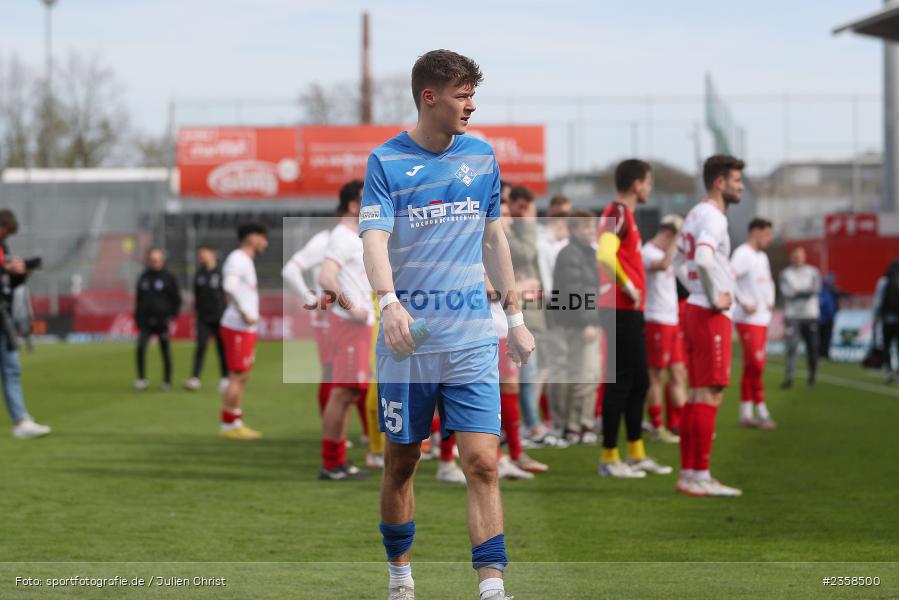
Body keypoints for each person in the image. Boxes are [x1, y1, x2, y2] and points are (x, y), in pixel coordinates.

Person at [360, 49, 533, 600]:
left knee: (483, 462)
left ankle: (491, 587)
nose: (472, 107)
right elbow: (373, 239)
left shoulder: (481, 157)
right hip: (408, 345)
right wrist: (388, 303)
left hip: (472, 342)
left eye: (472, 95)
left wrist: (515, 316)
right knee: (403, 463)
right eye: (462, 95)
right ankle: (401, 578)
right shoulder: (385, 161)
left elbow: (493, 237)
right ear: (429, 97)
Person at [674, 154, 745, 497]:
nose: (740, 186)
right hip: (709, 313)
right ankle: (699, 474)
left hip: (695, 309)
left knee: (697, 393)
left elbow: (675, 261)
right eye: (736, 180)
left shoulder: (694, 213)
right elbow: (701, 258)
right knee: (710, 393)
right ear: (720, 182)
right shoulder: (713, 217)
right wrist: (714, 294)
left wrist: (696, 290)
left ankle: (689, 474)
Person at [596, 159, 671, 478]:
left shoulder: (626, 215)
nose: (650, 188)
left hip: (628, 310)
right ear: (636, 184)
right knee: (622, 383)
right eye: (648, 182)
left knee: (639, 381)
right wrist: (627, 285)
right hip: (618, 309)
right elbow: (603, 254)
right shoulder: (618, 212)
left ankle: (636, 453)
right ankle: (610, 458)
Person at [317, 181, 375, 480]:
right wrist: (351, 308)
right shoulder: (342, 236)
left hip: (358, 327)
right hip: (349, 326)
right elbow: (326, 276)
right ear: (354, 205)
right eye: (367, 199)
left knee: (349, 393)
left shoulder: (355, 237)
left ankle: (338, 460)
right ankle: (331, 463)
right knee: (342, 393)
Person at [507, 186, 564, 448]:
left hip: (530, 311)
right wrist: (526, 223)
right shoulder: (508, 232)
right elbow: (524, 254)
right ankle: (527, 427)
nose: (510, 215)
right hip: (516, 314)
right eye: (508, 209)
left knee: (530, 374)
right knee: (522, 376)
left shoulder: (515, 231)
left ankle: (525, 427)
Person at [551, 210, 602, 443]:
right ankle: (573, 427)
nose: (591, 231)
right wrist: (587, 322)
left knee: (591, 374)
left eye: (592, 226)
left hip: (589, 320)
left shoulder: (588, 252)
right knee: (581, 375)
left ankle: (584, 424)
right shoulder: (570, 254)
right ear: (572, 230)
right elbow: (575, 291)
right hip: (578, 324)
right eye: (585, 227)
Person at [0, 209, 50, 438]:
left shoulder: (4, 247)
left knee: (12, 369)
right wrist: (4, 268)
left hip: (3, 316)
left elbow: (8, 283)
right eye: (5, 232)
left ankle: (21, 420)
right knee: (11, 369)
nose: (6, 237)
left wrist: (22, 272)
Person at [218, 222, 268, 440]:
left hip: (244, 327)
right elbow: (229, 287)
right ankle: (229, 425)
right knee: (237, 376)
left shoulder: (244, 260)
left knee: (242, 375)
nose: (265, 243)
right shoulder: (237, 258)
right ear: (251, 238)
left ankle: (234, 421)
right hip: (237, 325)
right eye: (262, 237)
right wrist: (244, 311)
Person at [641, 216, 685, 444]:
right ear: (668, 235)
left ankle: (683, 424)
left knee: (678, 373)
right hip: (656, 320)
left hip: (672, 320)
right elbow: (664, 265)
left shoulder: (667, 252)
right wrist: (678, 238)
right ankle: (657, 425)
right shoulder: (647, 251)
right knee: (656, 376)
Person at [731, 218, 776, 429]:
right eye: (767, 234)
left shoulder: (762, 257)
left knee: (753, 366)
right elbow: (729, 277)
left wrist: (770, 299)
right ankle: (762, 410)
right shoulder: (743, 254)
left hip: (762, 319)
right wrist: (743, 300)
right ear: (756, 232)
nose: (770, 239)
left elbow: (769, 282)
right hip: (747, 319)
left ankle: (746, 414)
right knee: (756, 365)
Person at [537, 195, 572, 435]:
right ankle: (543, 421)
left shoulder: (564, 242)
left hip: (567, 309)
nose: (563, 220)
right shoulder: (543, 241)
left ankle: (554, 419)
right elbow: (549, 283)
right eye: (559, 215)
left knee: (557, 367)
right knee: (545, 367)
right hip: (551, 309)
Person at [134, 248, 181, 392]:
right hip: (145, 321)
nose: (155, 263)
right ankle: (141, 379)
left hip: (162, 321)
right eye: (153, 260)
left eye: (158, 260)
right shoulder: (144, 277)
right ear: (149, 260)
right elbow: (139, 299)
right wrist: (138, 318)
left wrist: (172, 316)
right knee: (141, 347)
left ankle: (166, 380)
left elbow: (176, 299)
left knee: (165, 350)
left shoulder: (168, 277)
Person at [184, 246, 228, 392]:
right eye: (199, 255)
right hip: (203, 318)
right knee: (201, 346)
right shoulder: (199, 274)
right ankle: (195, 378)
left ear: (212, 254)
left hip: (220, 317)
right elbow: (197, 295)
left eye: (204, 254)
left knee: (221, 348)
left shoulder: (222, 273)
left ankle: (225, 378)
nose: (201, 257)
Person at [779, 246, 821, 389]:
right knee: (792, 347)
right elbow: (787, 293)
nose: (797, 258)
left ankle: (812, 379)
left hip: (810, 315)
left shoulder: (813, 272)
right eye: (795, 256)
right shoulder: (785, 274)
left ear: (804, 256)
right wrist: (803, 291)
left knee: (813, 348)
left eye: (800, 255)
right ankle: (789, 378)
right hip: (792, 316)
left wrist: (797, 291)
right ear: (791, 257)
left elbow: (814, 290)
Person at [872, 260, 899, 383]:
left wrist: (876, 317)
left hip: (887, 320)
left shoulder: (883, 282)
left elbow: (878, 301)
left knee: (886, 346)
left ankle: (889, 370)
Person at [818, 272, 847, 360]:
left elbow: (842, 294)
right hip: (821, 318)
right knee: (822, 337)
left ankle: (824, 353)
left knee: (827, 337)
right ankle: (821, 354)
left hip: (828, 318)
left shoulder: (832, 292)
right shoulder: (822, 291)